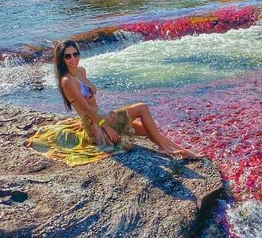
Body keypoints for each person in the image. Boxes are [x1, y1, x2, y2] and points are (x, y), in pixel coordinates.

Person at [52, 40, 202, 160]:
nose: (73, 59)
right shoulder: (67, 81)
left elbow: (91, 95)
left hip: (102, 116)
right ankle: (164, 148)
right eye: (68, 56)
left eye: (75, 54)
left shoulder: (81, 71)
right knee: (142, 107)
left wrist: (106, 121)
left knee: (150, 130)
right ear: (62, 59)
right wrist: (107, 127)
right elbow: (86, 109)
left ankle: (185, 152)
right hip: (95, 126)